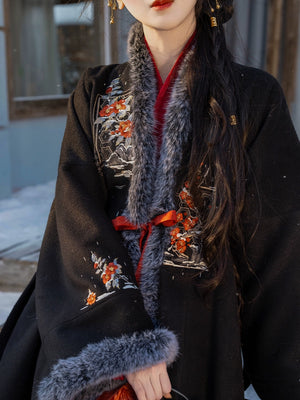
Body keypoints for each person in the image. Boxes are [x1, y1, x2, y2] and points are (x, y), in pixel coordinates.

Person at [0, 0, 299, 399]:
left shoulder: (253, 98)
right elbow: (74, 223)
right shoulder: (94, 92)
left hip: (196, 338)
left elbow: (277, 252)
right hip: (91, 330)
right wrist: (128, 343)